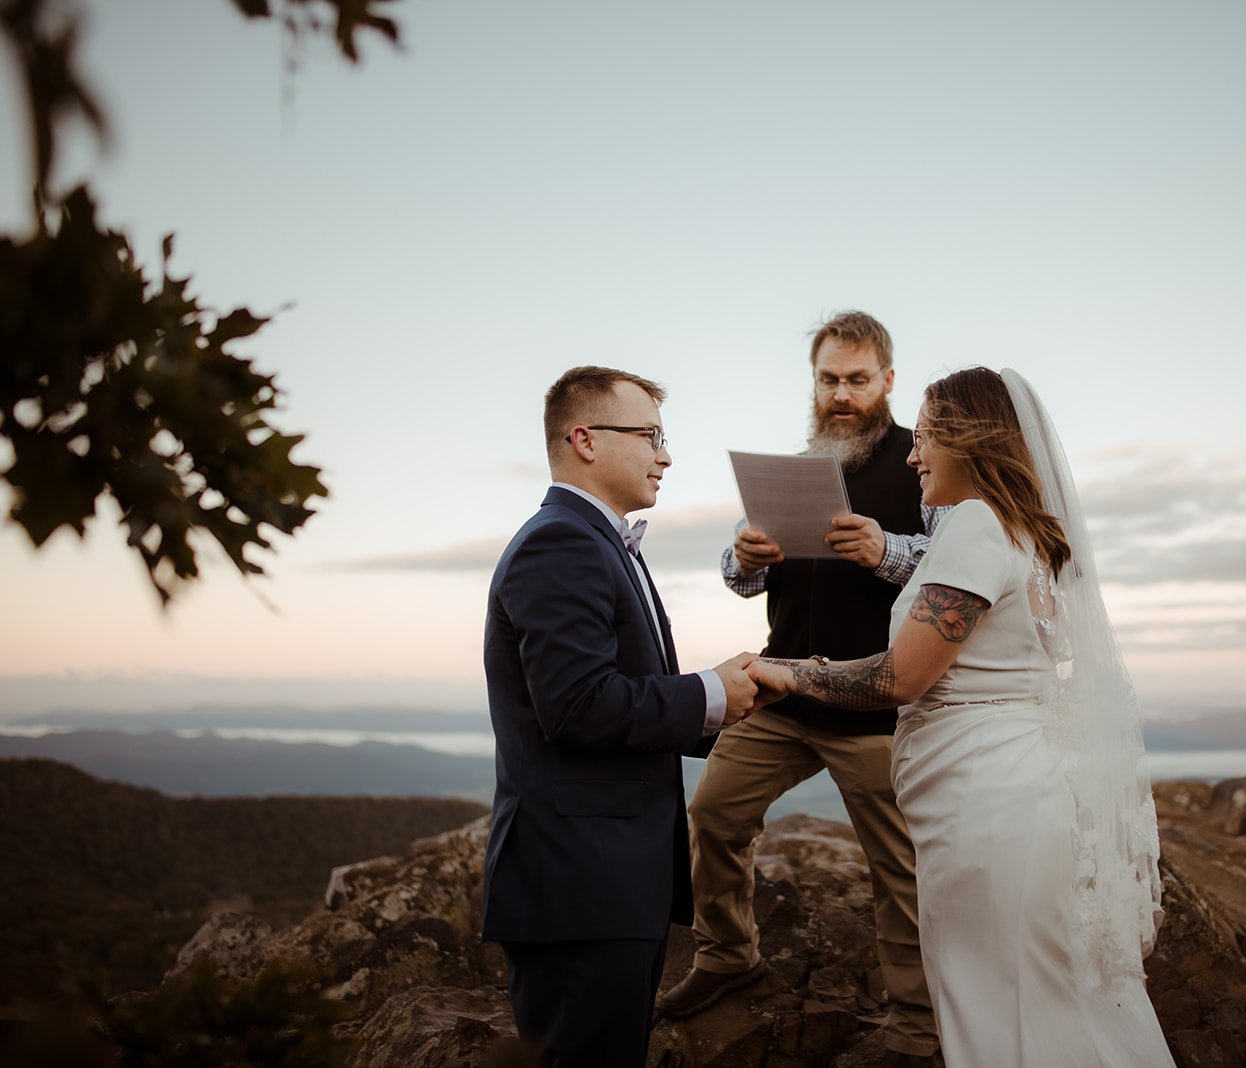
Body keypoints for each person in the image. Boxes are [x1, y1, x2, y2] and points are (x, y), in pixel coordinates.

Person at [748, 367, 1175, 1067]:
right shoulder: (1031, 534)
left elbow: (901, 675)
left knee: (995, 1012)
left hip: (987, 809)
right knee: (1050, 1002)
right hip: (1018, 793)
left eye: (930, 438)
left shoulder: (977, 522)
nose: (914, 455)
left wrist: (784, 671)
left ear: (971, 442)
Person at [658, 311, 941, 1066]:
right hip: (782, 690)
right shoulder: (796, 463)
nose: (840, 394)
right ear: (813, 382)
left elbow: (961, 569)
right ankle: (726, 956)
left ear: (886, 380)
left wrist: (884, 552)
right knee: (713, 815)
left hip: (876, 702)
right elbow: (740, 580)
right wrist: (745, 555)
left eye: (856, 379)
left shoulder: (925, 462)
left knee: (900, 870)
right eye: (828, 379)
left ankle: (917, 1026)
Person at [481, 365, 764, 1067]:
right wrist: (711, 693)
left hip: (606, 885)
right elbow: (578, 706)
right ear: (584, 439)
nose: (665, 455)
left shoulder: (598, 541)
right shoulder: (562, 543)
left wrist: (727, 694)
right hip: (578, 887)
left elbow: (618, 691)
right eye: (651, 436)